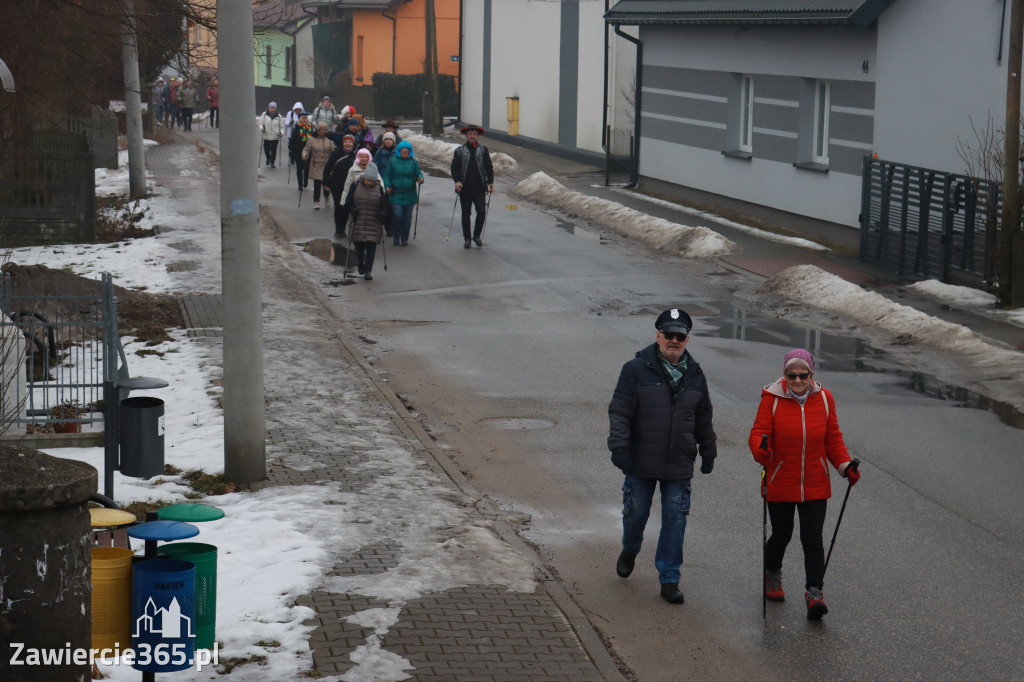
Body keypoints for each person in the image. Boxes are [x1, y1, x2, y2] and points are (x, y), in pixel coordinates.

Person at [607, 308, 717, 605]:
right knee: (635, 515)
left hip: (679, 461)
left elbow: (703, 418)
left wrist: (708, 450)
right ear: (657, 336)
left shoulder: (695, 375)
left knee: (675, 519)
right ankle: (630, 549)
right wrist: (619, 446)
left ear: (687, 340)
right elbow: (619, 411)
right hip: (640, 460)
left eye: (680, 336)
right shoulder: (635, 369)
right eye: (668, 334)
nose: (674, 340)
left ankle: (669, 578)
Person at [748, 348, 859, 620]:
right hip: (781, 479)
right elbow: (758, 433)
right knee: (782, 534)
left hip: (814, 481)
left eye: (803, 375)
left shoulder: (824, 399)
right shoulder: (771, 399)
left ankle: (814, 594)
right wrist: (761, 449)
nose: (797, 381)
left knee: (812, 538)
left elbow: (833, 439)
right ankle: (772, 575)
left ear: (812, 374)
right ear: (784, 375)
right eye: (792, 375)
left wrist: (845, 467)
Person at [343, 162, 389, 281]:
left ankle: (368, 271)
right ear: (364, 177)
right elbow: (348, 202)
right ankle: (360, 263)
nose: (369, 183)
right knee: (358, 246)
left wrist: (382, 214)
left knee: (371, 248)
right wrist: (353, 210)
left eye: (371, 181)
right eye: (368, 180)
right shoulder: (355, 185)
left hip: (373, 222)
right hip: (358, 221)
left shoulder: (379, 188)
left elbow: (384, 205)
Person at [450, 124, 494, 248]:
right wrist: (457, 181)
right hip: (464, 188)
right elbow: (454, 168)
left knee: (481, 212)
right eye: (470, 134)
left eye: (474, 134)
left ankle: (476, 235)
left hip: (480, 187)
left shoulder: (483, 150)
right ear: (466, 135)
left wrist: (490, 182)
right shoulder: (459, 150)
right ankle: (467, 239)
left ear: (478, 136)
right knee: (466, 214)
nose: (472, 136)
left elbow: (489, 167)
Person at [382, 140, 423, 246]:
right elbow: (387, 175)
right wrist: (387, 186)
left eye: (407, 148)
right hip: (395, 194)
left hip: (410, 194)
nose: (405, 150)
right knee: (398, 215)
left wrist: (420, 179)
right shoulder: (393, 161)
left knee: (407, 217)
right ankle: (396, 235)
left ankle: (404, 238)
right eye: (403, 148)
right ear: (399, 150)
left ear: (410, 150)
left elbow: (419, 173)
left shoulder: (413, 162)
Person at [324, 135, 358, 239]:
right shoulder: (335, 154)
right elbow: (327, 169)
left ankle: (343, 228)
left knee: (347, 208)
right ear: (343, 143)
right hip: (336, 185)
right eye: (346, 142)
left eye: (350, 142)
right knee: (339, 207)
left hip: (351, 187)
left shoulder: (356, 155)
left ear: (353, 144)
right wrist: (325, 183)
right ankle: (338, 230)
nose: (348, 144)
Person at [302, 121, 336, 210]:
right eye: (322, 130)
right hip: (316, 165)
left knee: (326, 184)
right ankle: (316, 202)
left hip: (327, 166)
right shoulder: (311, 139)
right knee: (317, 185)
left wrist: (334, 151)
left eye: (325, 130)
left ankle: (326, 196)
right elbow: (306, 149)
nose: (324, 132)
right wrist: (305, 155)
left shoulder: (329, 139)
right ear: (318, 130)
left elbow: (333, 148)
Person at [288, 112, 313, 191]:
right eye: (303, 118)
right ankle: (300, 184)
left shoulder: (310, 127)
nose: (305, 120)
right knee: (299, 168)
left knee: (307, 167)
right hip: (298, 151)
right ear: (300, 119)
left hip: (308, 151)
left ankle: (305, 180)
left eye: (306, 118)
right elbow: (292, 140)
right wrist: (291, 149)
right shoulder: (297, 128)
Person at [258, 101, 285, 168]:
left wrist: (281, 133)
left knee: (273, 150)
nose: (273, 109)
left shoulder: (279, 116)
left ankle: (272, 162)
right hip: (266, 135)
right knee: (266, 149)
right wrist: (262, 128)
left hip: (275, 136)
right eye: (271, 108)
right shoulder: (264, 115)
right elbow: (260, 123)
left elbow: (282, 127)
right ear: (269, 108)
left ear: (276, 109)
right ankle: (268, 158)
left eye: (274, 108)